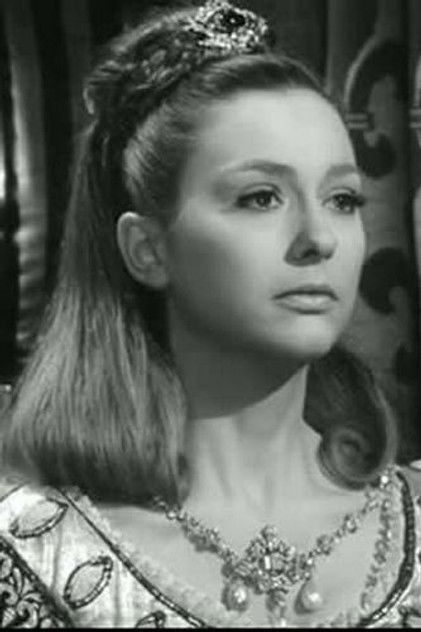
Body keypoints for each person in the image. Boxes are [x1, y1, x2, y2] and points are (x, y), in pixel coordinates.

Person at [0, 0, 420, 627]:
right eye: (261, 197)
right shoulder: (38, 552)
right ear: (148, 249)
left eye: (342, 199)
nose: (319, 238)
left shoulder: (411, 520)